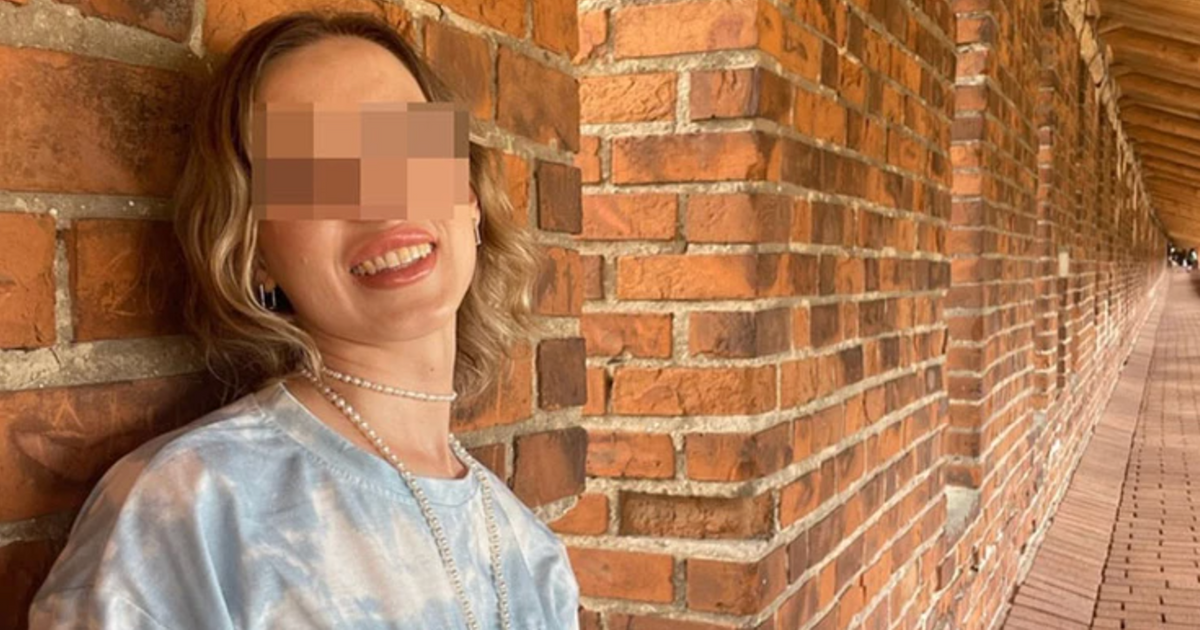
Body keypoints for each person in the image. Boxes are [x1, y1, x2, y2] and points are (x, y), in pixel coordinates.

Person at [29, 11, 578, 629]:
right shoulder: (185, 513)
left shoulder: (534, 556)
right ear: (256, 254)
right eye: (314, 168)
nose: (378, 196)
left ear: (469, 198)